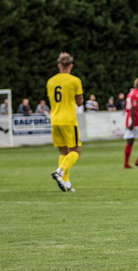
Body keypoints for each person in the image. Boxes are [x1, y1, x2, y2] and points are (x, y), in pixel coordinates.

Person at [47, 52, 84, 192]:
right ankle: (60, 171)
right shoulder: (75, 81)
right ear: (71, 66)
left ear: (59, 66)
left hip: (55, 120)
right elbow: (80, 102)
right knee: (76, 150)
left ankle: (66, 183)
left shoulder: (51, 81)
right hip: (68, 120)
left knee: (63, 151)